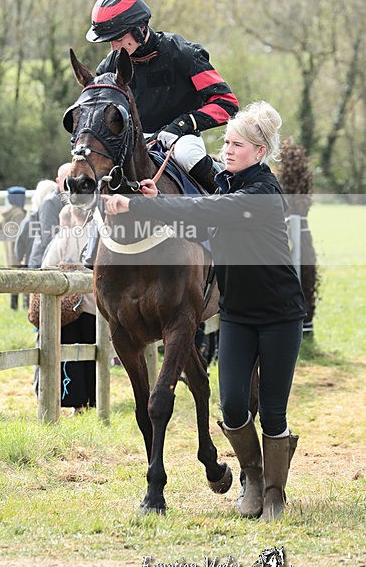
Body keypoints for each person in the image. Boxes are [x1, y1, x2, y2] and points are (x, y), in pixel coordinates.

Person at [103, 101, 306, 521]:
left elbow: (206, 211)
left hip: (280, 315)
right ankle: (252, 477)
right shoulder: (228, 188)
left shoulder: (262, 193)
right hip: (237, 314)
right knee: (232, 406)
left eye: (237, 144)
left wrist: (141, 207)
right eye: (226, 142)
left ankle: (272, 494)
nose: (227, 150)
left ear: (260, 151)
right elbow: (197, 226)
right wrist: (157, 202)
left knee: (272, 411)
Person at [86, 0, 239, 193]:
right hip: (134, 141)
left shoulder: (183, 53)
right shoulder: (108, 68)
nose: (114, 48)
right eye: (110, 42)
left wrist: (181, 125)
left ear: (139, 29)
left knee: (188, 155)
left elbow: (226, 102)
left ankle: (228, 194)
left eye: (119, 39)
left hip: (181, 137)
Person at [41, 204, 96, 413]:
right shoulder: (101, 235)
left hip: (68, 307)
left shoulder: (66, 236)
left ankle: (77, 404)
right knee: (94, 354)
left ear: (73, 214)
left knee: (71, 357)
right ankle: (95, 399)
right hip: (94, 307)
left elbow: (47, 267)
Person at [27, 163, 72, 269]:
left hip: (60, 260)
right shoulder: (50, 202)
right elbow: (48, 236)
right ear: (58, 181)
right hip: (43, 261)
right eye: (67, 180)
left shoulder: (71, 199)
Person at [0, 186, 26, 309]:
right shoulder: (19, 214)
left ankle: (13, 306)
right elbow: (22, 236)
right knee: (24, 281)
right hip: (18, 253)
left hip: (9, 254)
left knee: (14, 282)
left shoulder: (6, 214)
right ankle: (23, 305)